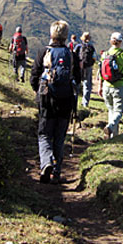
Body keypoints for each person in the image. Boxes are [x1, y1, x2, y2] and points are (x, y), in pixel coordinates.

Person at [30, 20, 81, 184]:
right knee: (59, 137)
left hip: (47, 100)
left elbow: (34, 77)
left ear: (51, 34)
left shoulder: (43, 52)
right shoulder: (71, 56)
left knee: (44, 135)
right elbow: (78, 79)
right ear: (66, 36)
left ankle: (46, 163)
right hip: (65, 101)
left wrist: (39, 92)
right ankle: (56, 172)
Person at [97, 32, 123, 139]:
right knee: (118, 112)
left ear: (111, 41)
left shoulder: (105, 54)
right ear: (120, 42)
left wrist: (100, 86)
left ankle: (113, 136)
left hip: (106, 87)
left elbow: (101, 71)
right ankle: (110, 127)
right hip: (118, 86)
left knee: (111, 110)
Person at [78, 32, 97, 108]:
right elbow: (94, 57)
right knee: (87, 84)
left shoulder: (79, 46)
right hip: (88, 67)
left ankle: (75, 100)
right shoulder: (91, 47)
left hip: (80, 66)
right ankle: (85, 102)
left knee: (77, 83)